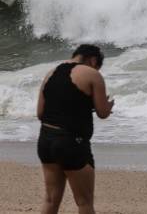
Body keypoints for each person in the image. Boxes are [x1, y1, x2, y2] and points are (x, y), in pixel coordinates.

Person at [36, 44, 114, 214]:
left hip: (46, 141)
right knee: (84, 202)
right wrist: (108, 106)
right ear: (93, 60)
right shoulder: (92, 74)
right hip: (71, 143)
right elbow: (102, 112)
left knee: (50, 200)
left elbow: (40, 113)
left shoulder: (51, 73)